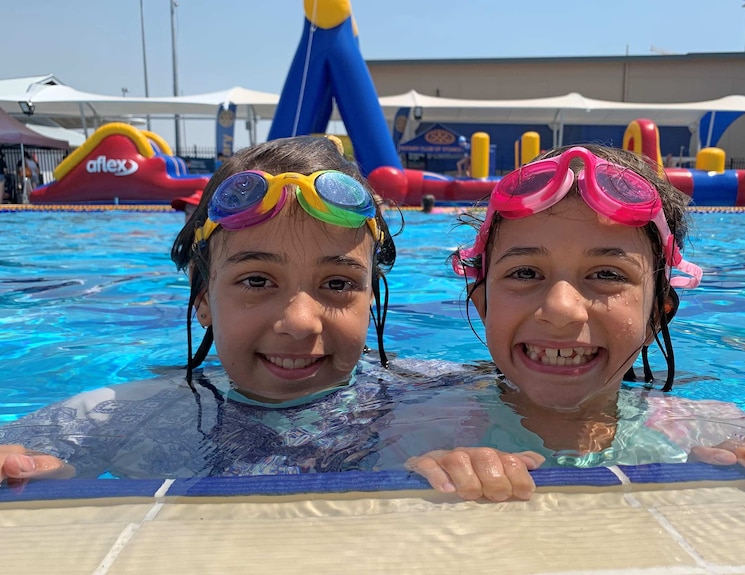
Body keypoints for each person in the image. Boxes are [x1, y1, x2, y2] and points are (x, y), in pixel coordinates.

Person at [0, 135, 475, 482]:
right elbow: (24, 455)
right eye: (256, 280)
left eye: (337, 283)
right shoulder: (120, 417)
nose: (298, 322)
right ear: (204, 299)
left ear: (370, 297)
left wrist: (484, 461)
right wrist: (24, 470)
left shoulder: (447, 400)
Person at [407, 144, 745, 501]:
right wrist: (426, 467)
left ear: (655, 317)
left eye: (606, 275)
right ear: (482, 303)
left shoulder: (707, 429)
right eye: (525, 273)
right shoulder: (414, 421)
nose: (562, 308)